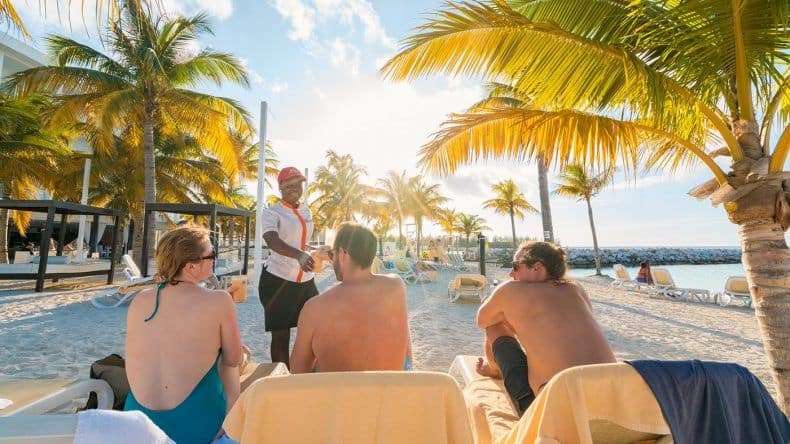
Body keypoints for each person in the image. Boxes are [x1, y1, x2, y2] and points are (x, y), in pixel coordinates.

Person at [124, 226, 243, 443]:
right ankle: (230, 420)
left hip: (138, 426)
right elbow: (234, 359)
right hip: (195, 427)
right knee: (230, 364)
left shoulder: (140, 300)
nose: (214, 260)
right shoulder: (219, 301)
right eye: (211, 255)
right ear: (190, 266)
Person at [475, 241, 616, 416]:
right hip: (610, 402)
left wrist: (498, 309)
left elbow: (482, 321)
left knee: (494, 324)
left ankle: (494, 370)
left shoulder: (510, 289)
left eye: (515, 266)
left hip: (554, 413)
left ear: (537, 267)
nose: (511, 273)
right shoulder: (575, 288)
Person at [290, 222, 413, 373]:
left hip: (336, 388)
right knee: (404, 332)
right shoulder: (396, 286)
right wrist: (338, 255)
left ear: (343, 254)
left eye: (334, 254)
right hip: (390, 385)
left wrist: (334, 257)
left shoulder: (313, 307)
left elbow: (298, 370)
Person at [259, 166, 320, 368]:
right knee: (281, 335)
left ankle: (307, 374)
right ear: (281, 187)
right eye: (289, 185)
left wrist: (320, 252)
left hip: (306, 281)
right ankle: (282, 378)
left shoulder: (306, 211)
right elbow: (272, 240)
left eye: (298, 184)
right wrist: (299, 255)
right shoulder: (271, 212)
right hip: (277, 280)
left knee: (317, 326)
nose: (295, 188)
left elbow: (301, 243)